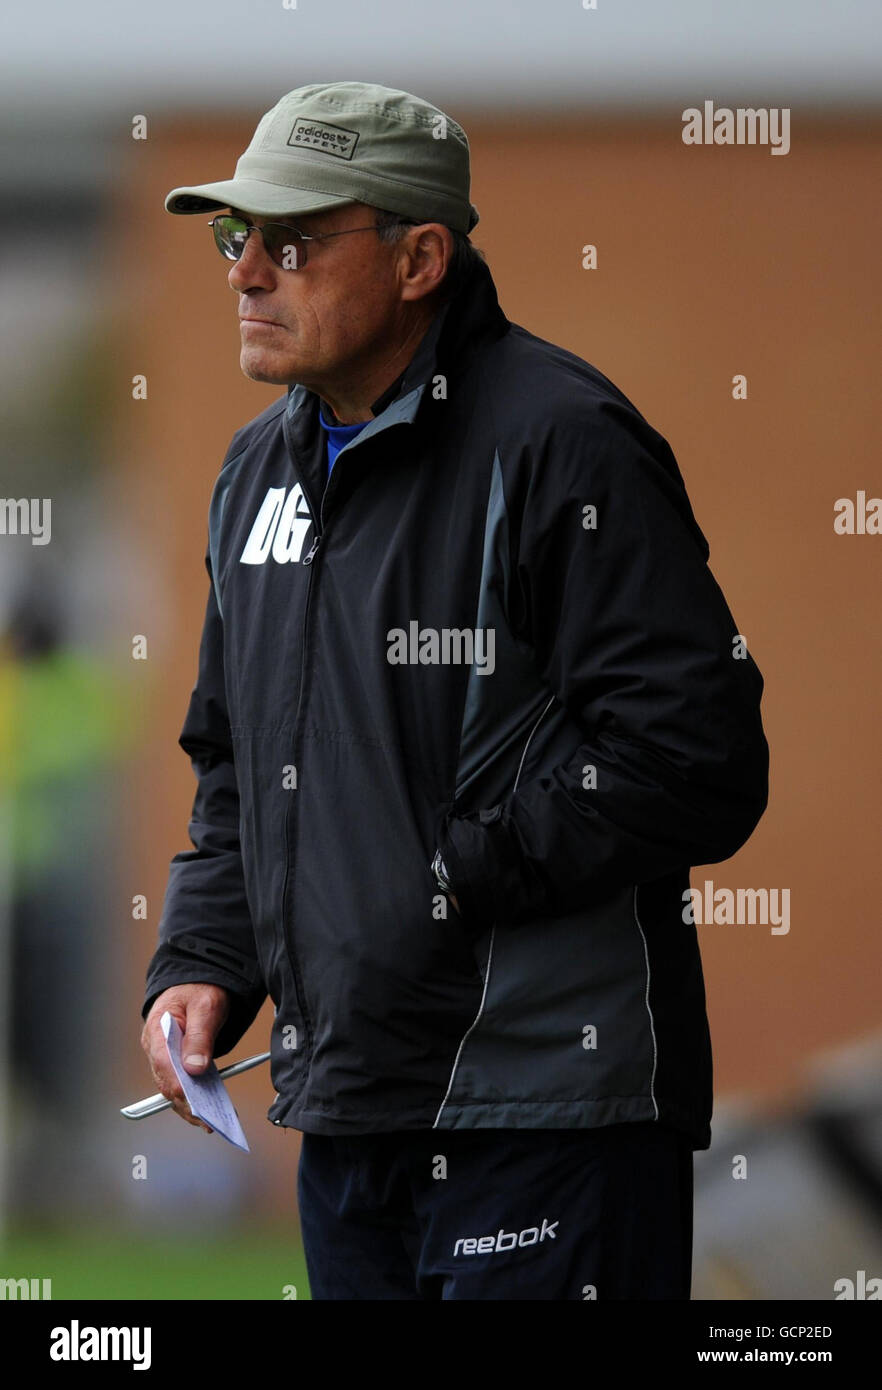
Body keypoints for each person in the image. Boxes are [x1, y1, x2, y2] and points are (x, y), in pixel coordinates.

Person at [140, 81, 769, 1301]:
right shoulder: (254, 471)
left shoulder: (564, 440)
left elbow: (697, 756)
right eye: (234, 236)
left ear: (421, 256)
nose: (245, 272)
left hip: (547, 1121)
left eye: (294, 238)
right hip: (349, 1116)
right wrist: (204, 959)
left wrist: (448, 873)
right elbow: (235, 770)